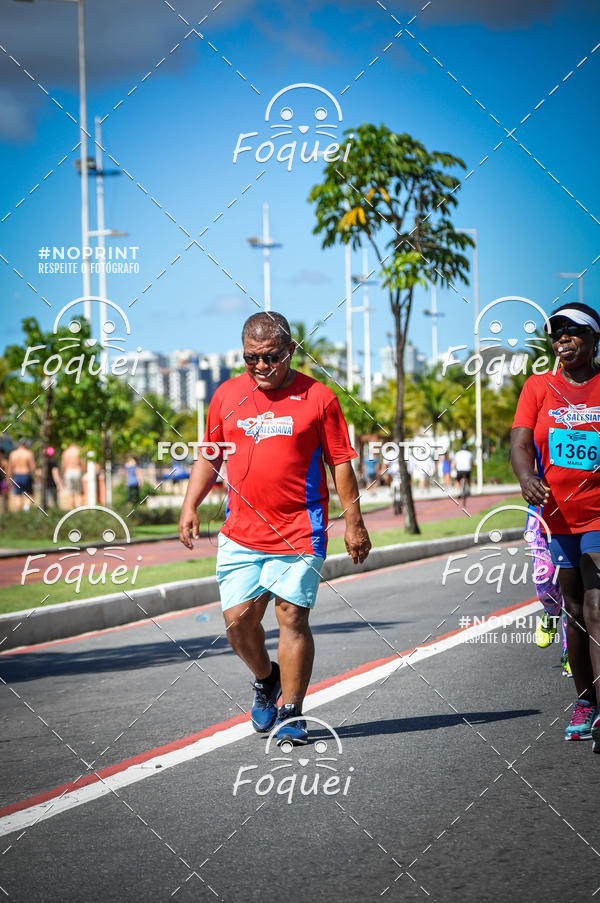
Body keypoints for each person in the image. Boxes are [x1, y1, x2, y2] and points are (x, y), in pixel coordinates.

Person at [178, 312, 371, 746]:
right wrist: (191, 505)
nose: (262, 366)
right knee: (237, 625)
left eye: (271, 357)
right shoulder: (226, 396)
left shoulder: (319, 397)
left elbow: (340, 461)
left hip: (300, 528)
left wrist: (353, 521)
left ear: (291, 351)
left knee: (291, 616)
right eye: (251, 358)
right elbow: (209, 456)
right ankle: (267, 679)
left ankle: (291, 711)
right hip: (240, 532)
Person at [511, 301, 600, 748]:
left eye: (572, 332)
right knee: (573, 610)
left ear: (594, 338)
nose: (562, 339)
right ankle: (586, 701)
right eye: (556, 333)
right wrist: (528, 478)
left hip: (599, 514)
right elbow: (521, 443)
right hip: (557, 516)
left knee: (597, 602)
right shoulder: (538, 387)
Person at [7, 438, 36, 511]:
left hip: (16, 476)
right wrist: (35, 477)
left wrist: (8, 479)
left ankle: (19, 512)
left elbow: (10, 468)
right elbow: (33, 467)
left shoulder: (13, 454)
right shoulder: (28, 453)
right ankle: (26, 510)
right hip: (26, 475)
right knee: (29, 495)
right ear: (25, 444)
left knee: (18, 495)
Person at [61, 443, 84, 509]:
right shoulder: (79, 451)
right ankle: (78, 508)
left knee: (71, 493)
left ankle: (72, 510)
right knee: (79, 492)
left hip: (68, 472)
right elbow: (83, 463)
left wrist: (62, 476)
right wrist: (85, 472)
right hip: (78, 471)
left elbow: (63, 465)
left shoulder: (66, 452)